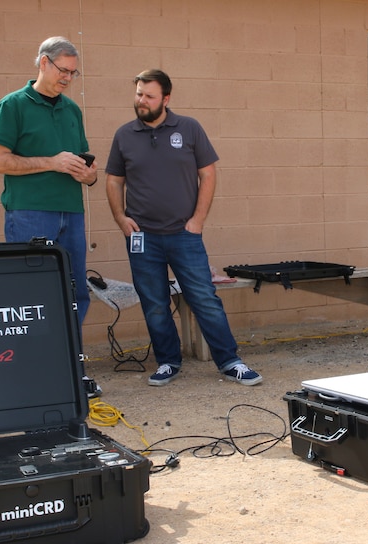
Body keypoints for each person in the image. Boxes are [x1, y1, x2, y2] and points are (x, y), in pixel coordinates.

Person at [105, 69, 262, 387]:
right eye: (138, 94)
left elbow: (208, 174)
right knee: (155, 303)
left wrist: (197, 221)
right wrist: (121, 219)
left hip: (183, 235)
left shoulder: (189, 128)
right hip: (142, 238)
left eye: (149, 95)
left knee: (204, 297)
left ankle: (230, 361)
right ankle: (167, 362)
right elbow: (113, 180)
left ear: (166, 98)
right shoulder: (124, 135)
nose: (142, 100)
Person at [0, 36, 101, 397]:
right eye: (63, 70)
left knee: (75, 293)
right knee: (31, 296)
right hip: (29, 214)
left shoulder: (71, 110)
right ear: (43, 63)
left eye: (74, 72)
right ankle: (31, 373)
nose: (68, 78)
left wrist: (90, 175)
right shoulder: (12, 105)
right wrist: (50, 162)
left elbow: (87, 164)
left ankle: (70, 369)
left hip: (71, 213)